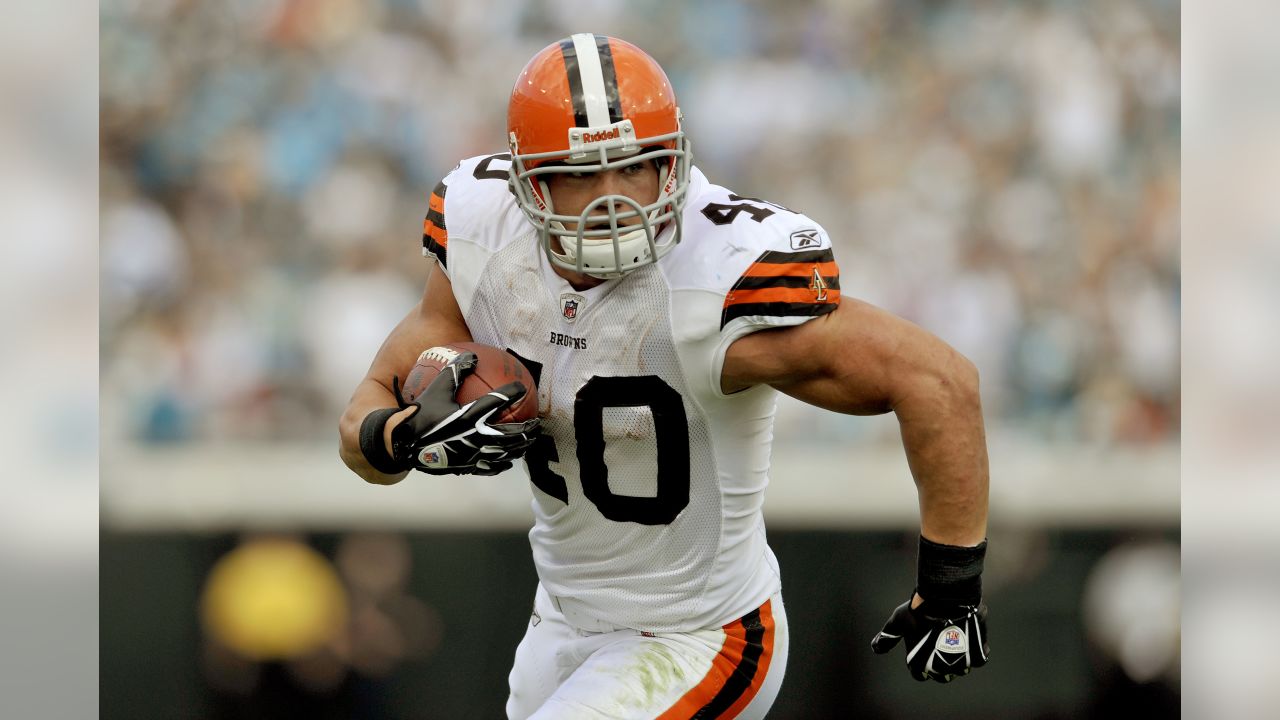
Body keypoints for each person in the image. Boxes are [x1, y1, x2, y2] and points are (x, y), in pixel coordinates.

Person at [338, 33, 991, 719]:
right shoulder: (483, 236)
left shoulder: (716, 274)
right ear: (529, 182)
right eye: (580, 174)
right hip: (560, 620)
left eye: (635, 167)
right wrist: (401, 436)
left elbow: (937, 379)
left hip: (701, 636)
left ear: (674, 164)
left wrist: (951, 585)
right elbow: (363, 436)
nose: (612, 200)